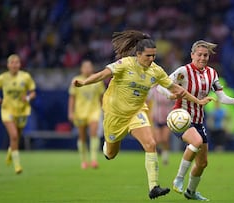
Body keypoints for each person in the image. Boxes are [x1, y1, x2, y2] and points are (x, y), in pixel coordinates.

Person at [72, 30, 213, 199]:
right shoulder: (124, 64)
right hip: (115, 115)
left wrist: (197, 102)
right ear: (138, 54)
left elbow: (177, 89)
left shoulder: (156, 71)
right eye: (148, 56)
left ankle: (154, 187)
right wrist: (84, 82)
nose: (151, 59)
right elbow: (103, 74)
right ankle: (106, 147)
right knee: (111, 154)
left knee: (151, 143)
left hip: (137, 112)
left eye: (154, 56)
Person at [157, 40, 234, 201]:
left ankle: (190, 192)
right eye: (199, 54)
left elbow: (221, 96)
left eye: (205, 55)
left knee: (202, 163)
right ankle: (178, 178)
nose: (202, 58)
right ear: (192, 55)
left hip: (198, 121)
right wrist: (170, 95)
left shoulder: (212, 73)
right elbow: (160, 86)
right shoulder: (183, 71)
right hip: (181, 117)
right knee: (197, 141)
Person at [0, 54, 36, 174]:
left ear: (20, 64)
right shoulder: (3, 78)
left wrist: (28, 98)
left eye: (17, 62)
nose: (14, 65)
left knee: (17, 136)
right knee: (14, 135)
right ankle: (17, 166)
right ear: (8, 65)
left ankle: (11, 150)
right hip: (7, 110)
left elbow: (33, 93)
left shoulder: (25, 77)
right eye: (12, 63)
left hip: (22, 110)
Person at [68, 60, 105, 169]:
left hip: (94, 110)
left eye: (89, 67)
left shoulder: (97, 80)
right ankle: (83, 160)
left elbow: (101, 97)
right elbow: (72, 97)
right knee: (82, 136)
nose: (87, 69)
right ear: (81, 69)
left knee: (94, 132)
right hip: (80, 112)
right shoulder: (76, 80)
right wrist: (70, 112)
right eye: (85, 67)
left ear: (92, 68)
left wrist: (104, 110)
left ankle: (94, 159)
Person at [147, 85, 174, 165]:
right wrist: (150, 113)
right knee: (158, 140)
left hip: (167, 117)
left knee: (165, 139)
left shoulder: (169, 90)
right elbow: (147, 101)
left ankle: (165, 158)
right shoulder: (154, 90)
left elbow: (174, 101)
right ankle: (157, 155)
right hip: (157, 117)